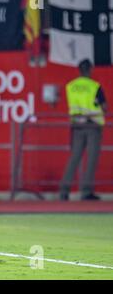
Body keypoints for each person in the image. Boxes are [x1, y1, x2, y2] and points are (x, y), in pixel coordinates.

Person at [59, 59, 107, 201]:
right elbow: (104, 107)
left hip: (77, 126)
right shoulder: (95, 86)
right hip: (93, 126)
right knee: (91, 159)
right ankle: (86, 192)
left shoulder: (71, 86)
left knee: (74, 158)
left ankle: (64, 191)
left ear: (79, 70)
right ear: (90, 69)